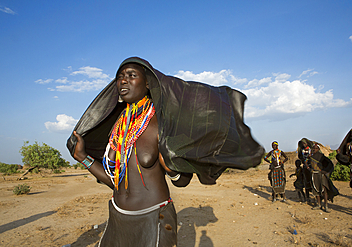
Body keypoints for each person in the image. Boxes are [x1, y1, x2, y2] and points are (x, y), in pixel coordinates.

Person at [67, 57, 264, 246]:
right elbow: (116, 182)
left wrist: (170, 168)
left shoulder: (164, 124)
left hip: (155, 219)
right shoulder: (118, 129)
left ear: (147, 84)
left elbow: (183, 181)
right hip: (118, 220)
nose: (123, 80)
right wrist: (82, 158)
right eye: (119, 76)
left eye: (131, 75)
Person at [309, 144, 338, 212]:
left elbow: (329, 163)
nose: (314, 149)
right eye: (313, 148)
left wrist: (325, 171)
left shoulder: (321, 156)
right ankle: (319, 204)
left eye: (316, 148)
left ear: (318, 149)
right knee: (316, 190)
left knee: (324, 190)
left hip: (321, 175)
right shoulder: (311, 156)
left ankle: (326, 205)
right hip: (314, 175)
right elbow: (308, 163)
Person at [297, 138, 314, 202]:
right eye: (302, 144)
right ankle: (307, 196)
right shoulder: (303, 150)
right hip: (305, 167)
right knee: (306, 181)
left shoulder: (310, 149)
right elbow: (302, 157)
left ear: (307, 143)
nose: (303, 145)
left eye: (304, 143)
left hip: (311, 165)